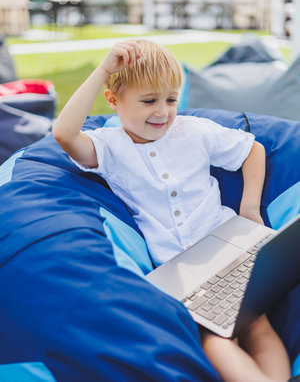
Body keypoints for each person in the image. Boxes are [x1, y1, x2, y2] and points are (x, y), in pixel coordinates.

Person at [53, 39, 291, 381]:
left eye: (171, 99)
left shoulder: (194, 131)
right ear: (113, 101)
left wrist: (249, 208)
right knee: (217, 340)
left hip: (229, 247)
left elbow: (252, 149)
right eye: (149, 100)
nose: (163, 112)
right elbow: (63, 132)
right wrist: (105, 69)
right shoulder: (109, 148)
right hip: (177, 271)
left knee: (258, 326)